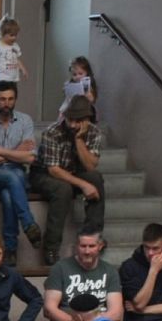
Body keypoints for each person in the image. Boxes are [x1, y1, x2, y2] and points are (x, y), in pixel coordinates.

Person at [32, 95, 105, 265]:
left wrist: (79, 139)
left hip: (73, 172)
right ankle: (51, 247)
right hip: (44, 174)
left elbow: (90, 166)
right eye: (70, 119)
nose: (72, 125)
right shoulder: (52, 132)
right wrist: (83, 185)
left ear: (86, 120)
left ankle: (93, 236)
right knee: (63, 189)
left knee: (96, 178)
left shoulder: (93, 132)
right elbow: (54, 170)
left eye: (77, 121)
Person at [42, 228, 123, 321]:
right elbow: (49, 308)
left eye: (91, 246)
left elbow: (116, 313)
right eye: (82, 246)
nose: (86, 251)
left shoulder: (109, 271)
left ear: (100, 246)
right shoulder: (60, 268)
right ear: (76, 246)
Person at [0, 81, 41, 251]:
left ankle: (10, 250)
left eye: (11, 99)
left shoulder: (25, 121)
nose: (7, 103)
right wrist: (14, 154)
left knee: (8, 194)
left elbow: (30, 157)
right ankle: (28, 222)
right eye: (2, 99)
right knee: (13, 177)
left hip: (17, 173)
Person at [0, 16, 28, 86]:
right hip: (0, 78)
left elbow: (17, 60)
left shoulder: (15, 46)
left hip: (13, 79)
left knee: (12, 94)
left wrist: (22, 69)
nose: (14, 37)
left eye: (16, 35)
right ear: (3, 34)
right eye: (11, 35)